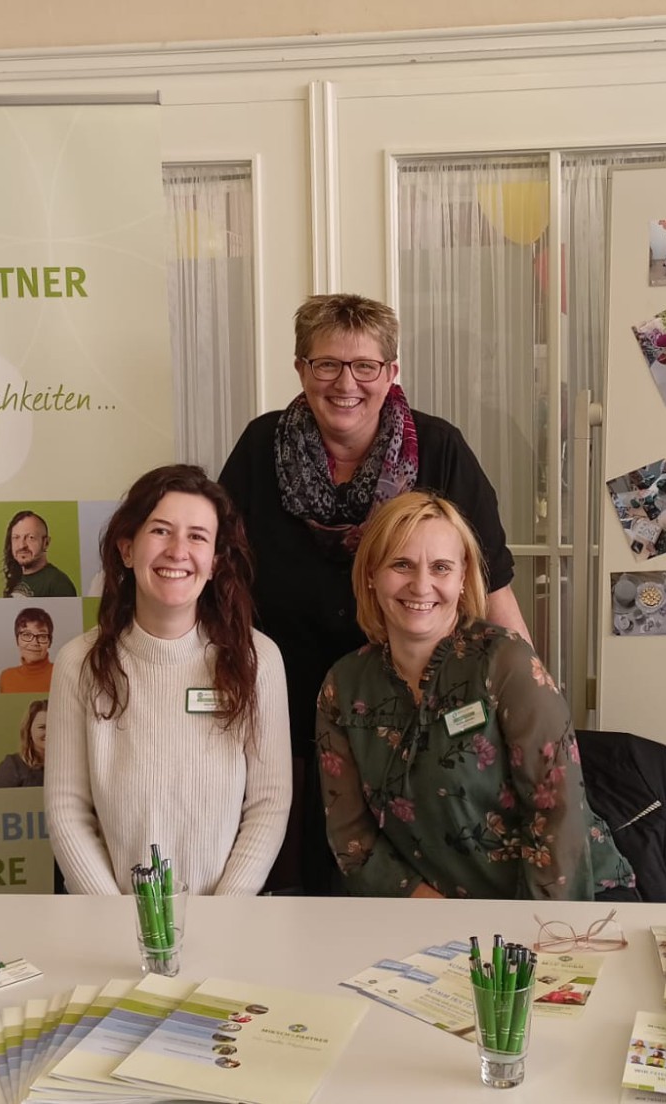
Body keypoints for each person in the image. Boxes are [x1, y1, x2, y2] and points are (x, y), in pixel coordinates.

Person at [217, 294, 522, 894]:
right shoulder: (260, 447)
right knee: (302, 888)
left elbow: (492, 586)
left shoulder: (439, 450)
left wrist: (525, 698)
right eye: (327, 364)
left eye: (365, 366)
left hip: (416, 718)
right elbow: (220, 578)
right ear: (301, 369)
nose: (346, 384)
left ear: (391, 372)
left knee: (412, 889)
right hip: (283, 717)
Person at [315, 491, 634, 900]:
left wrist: (525, 930)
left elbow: (558, 812)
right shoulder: (343, 687)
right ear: (371, 574)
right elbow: (351, 838)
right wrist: (437, 914)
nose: (421, 585)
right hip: (428, 915)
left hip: (567, 906)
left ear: (462, 578)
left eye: (441, 567)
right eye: (401, 564)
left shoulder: (505, 663)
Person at [47, 464, 292, 896]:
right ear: (127, 549)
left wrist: (226, 911)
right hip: (113, 920)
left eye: (197, 536)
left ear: (215, 562)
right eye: (161, 531)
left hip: (230, 917)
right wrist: (116, 916)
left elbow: (268, 803)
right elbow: (68, 810)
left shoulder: (258, 659)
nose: (178, 551)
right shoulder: (78, 663)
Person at [2, 510, 77, 596]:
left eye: (31, 538)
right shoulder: (15, 577)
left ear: (46, 543)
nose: (22, 545)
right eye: (16, 538)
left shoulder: (58, 584)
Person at [0, 607, 56, 693]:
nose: (34, 643)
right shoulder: (6, 677)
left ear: (50, 642)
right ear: (17, 640)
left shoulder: (62, 674)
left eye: (42, 636)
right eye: (27, 635)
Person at [0, 699, 48, 788]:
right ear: (28, 731)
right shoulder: (13, 765)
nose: (50, 732)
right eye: (42, 727)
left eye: (55, 726)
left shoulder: (71, 765)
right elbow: (0, 797)